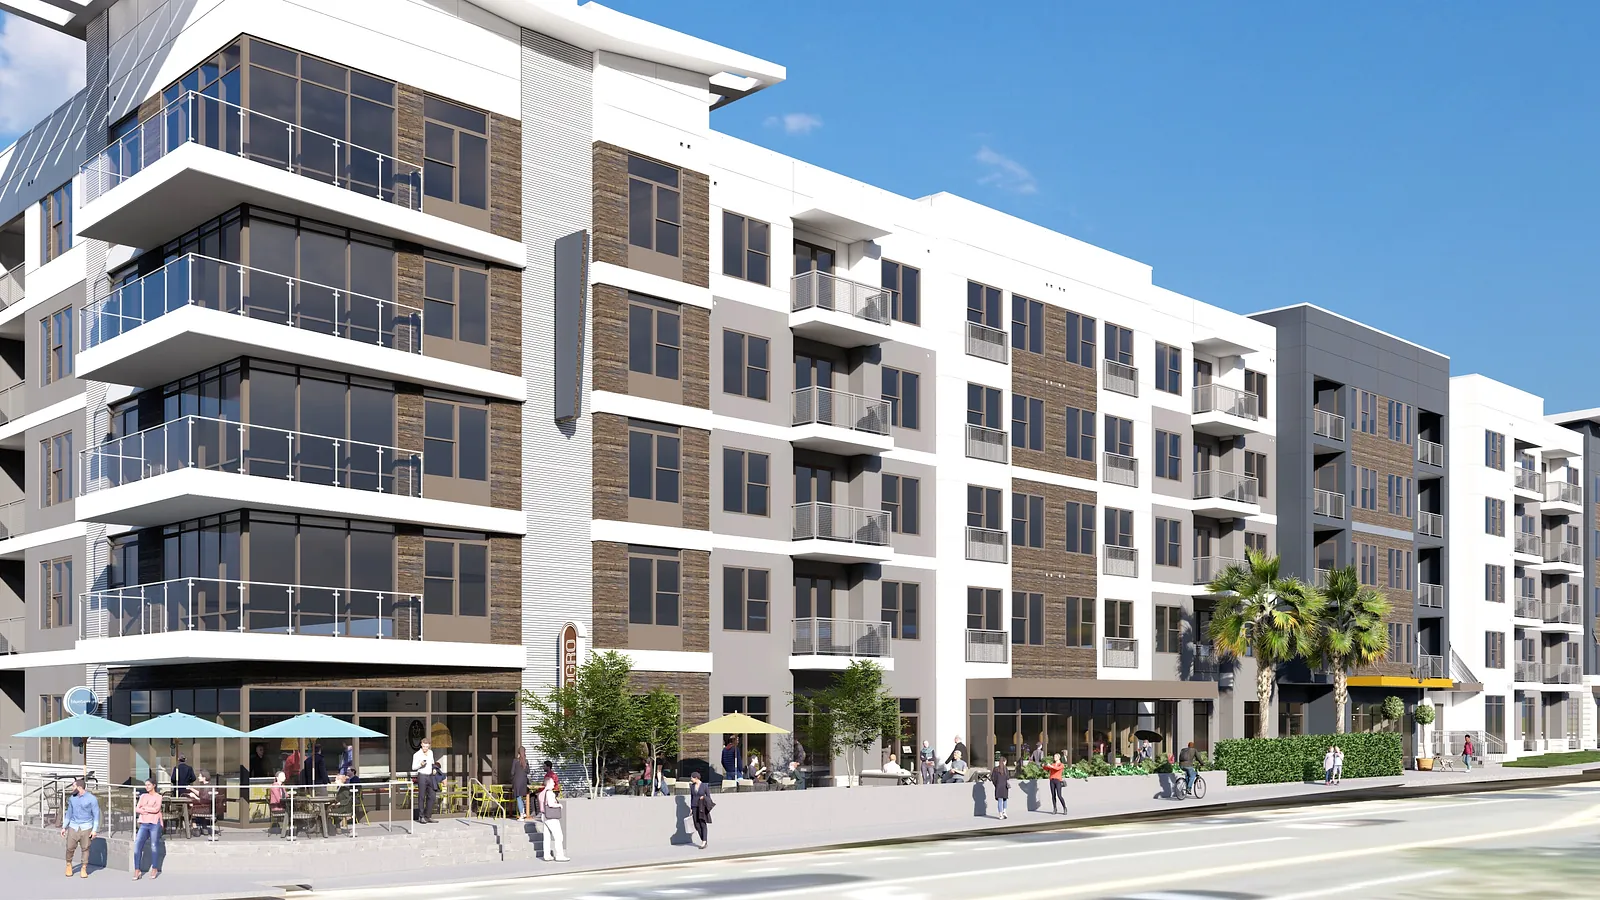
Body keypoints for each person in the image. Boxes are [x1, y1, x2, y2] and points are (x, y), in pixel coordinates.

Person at [61, 776, 99, 879]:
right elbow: (68, 813)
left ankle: (83, 868)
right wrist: (64, 827)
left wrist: (94, 830)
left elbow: (96, 815)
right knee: (69, 847)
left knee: (85, 848)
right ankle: (69, 864)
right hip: (73, 826)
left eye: (73, 786)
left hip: (86, 826)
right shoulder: (72, 798)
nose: (72, 788)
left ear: (79, 787)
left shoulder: (92, 799)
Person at [132, 778, 163, 881]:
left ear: (154, 785)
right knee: (137, 845)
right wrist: (145, 809)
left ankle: (154, 868)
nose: (147, 787)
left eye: (149, 785)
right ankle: (137, 869)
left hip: (154, 823)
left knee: (154, 845)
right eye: (146, 785)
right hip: (144, 823)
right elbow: (137, 808)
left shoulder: (158, 797)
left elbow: (156, 809)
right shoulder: (143, 796)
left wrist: (145, 808)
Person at [538, 760, 568, 861]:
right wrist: (558, 805)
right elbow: (550, 804)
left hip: (544, 815)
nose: (554, 783)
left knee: (546, 837)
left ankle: (546, 855)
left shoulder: (542, 793)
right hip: (551, 816)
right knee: (558, 835)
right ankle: (559, 855)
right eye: (552, 782)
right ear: (548, 783)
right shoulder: (550, 793)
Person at [186, 769, 222, 837]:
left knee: (189, 809)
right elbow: (201, 795)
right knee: (192, 806)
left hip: (205, 809)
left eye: (200, 776)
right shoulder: (208, 786)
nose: (198, 777)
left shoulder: (206, 787)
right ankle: (204, 827)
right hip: (207, 808)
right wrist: (192, 789)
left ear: (204, 778)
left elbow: (203, 801)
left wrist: (194, 797)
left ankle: (195, 827)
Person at [411, 739, 438, 824]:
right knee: (422, 796)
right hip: (422, 775)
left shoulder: (430, 752)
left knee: (432, 796)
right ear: (421, 745)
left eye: (427, 746)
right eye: (424, 746)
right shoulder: (417, 754)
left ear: (429, 746)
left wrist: (434, 769)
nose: (425, 748)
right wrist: (420, 764)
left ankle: (428, 816)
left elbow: (432, 763)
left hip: (430, 776)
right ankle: (421, 816)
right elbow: (413, 767)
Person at [688, 771, 715, 849]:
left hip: (701, 806)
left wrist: (704, 797)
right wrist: (691, 808)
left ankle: (704, 841)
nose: (691, 779)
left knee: (702, 823)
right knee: (696, 824)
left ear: (696, 778)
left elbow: (709, 797)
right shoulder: (692, 786)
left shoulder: (704, 786)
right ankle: (703, 839)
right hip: (694, 806)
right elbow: (692, 797)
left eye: (692, 778)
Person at [512, 746, 531, 819]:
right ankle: (523, 812)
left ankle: (522, 814)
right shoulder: (526, 761)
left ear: (518, 752)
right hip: (524, 781)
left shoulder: (515, 761)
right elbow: (528, 771)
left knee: (518, 797)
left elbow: (512, 772)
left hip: (517, 781)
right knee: (522, 797)